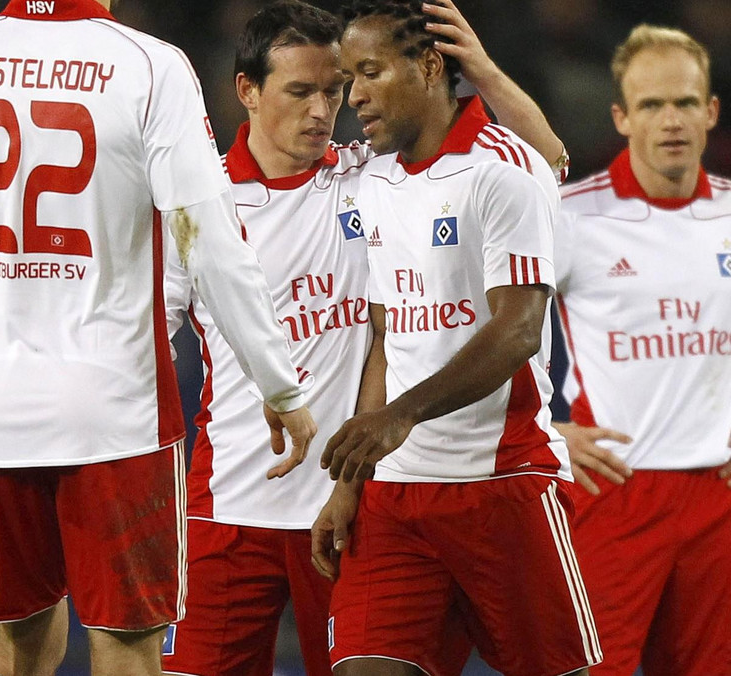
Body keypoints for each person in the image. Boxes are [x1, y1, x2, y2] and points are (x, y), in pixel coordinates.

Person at [0, 1, 318, 675]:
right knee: (127, 651)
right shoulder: (150, 67)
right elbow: (206, 237)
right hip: (116, 411)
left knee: (10, 651)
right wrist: (279, 382)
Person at [162, 2, 573, 675]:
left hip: (347, 505)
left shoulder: (367, 175)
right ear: (248, 90)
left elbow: (545, 162)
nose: (325, 109)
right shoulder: (198, 204)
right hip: (228, 501)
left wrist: (484, 72)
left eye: (334, 88)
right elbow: (152, 337)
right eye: (301, 91)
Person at [311, 1, 600, 674]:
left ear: (431, 65)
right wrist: (352, 482)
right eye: (349, 77)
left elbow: (520, 330)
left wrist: (401, 415)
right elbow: (388, 332)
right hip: (397, 497)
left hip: (500, 483)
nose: (354, 96)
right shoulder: (373, 179)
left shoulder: (503, 170)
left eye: (370, 72)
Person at [552, 24, 731, 676]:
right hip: (614, 493)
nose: (671, 119)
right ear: (623, 117)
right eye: (652, 105)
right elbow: (480, 324)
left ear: (710, 112)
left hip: (718, 498)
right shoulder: (573, 217)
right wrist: (547, 431)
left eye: (685, 102)